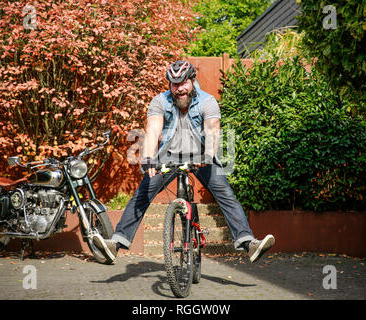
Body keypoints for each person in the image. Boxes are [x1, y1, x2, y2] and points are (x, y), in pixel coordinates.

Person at [93, 60, 274, 263]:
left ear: (192, 81)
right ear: (169, 84)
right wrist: (149, 158)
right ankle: (116, 243)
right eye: (174, 84)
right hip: (169, 156)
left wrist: (207, 155)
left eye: (183, 83)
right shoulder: (160, 101)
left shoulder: (208, 101)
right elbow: (153, 131)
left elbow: (212, 130)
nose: (179, 89)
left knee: (224, 192)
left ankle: (247, 242)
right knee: (143, 191)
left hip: (202, 157)